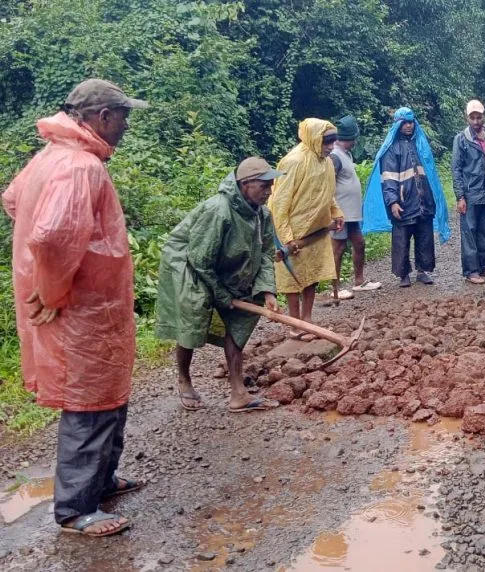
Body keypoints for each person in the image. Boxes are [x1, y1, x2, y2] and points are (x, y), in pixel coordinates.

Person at [2, 79, 148, 537]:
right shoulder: (81, 165)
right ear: (102, 116)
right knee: (89, 406)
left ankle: (101, 481)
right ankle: (75, 510)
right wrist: (50, 290)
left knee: (109, 400)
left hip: (95, 307)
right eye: (123, 116)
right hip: (82, 311)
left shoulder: (52, 156)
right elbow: (51, 235)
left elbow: (13, 201)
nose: (126, 125)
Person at [156, 157, 283, 413]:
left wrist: (267, 290)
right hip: (190, 264)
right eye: (264, 186)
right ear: (245, 185)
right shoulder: (219, 210)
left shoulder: (263, 215)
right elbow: (201, 260)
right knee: (193, 318)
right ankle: (184, 380)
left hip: (230, 267)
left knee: (242, 319)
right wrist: (223, 296)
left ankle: (239, 393)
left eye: (271, 186)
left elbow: (267, 254)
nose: (269, 192)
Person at [268, 118, 344, 340]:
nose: (330, 147)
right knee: (293, 278)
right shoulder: (293, 162)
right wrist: (287, 237)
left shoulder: (326, 162)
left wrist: (336, 212)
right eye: (326, 142)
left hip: (316, 230)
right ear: (314, 139)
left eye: (333, 142)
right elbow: (279, 203)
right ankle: (295, 324)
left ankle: (307, 319)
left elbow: (328, 194)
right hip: (293, 232)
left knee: (312, 275)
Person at [363, 107, 451, 287]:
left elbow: (431, 175)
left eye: (411, 122)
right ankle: (403, 274)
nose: (409, 125)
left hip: (424, 202)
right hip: (403, 202)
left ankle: (422, 271)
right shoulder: (391, 149)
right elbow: (388, 178)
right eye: (405, 122)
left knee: (425, 237)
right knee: (401, 241)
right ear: (398, 124)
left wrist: (435, 198)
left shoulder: (421, 145)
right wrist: (392, 201)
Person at [329, 115, 380, 302]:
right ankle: (334, 289)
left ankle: (359, 281)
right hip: (340, 213)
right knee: (338, 249)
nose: (356, 141)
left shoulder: (346, 154)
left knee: (359, 243)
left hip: (351, 213)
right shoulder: (334, 156)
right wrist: (332, 212)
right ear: (346, 138)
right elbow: (328, 183)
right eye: (353, 138)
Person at [452, 100, 485, 284]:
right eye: (472, 117)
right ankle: (470, 271)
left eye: (478, 117)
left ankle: (482, 267)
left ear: (484, 116)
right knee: (469, 232)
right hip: (470, 193)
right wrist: (460, 197)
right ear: (467, 117)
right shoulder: (461, 139)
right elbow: (456, 169)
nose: (475, 121)